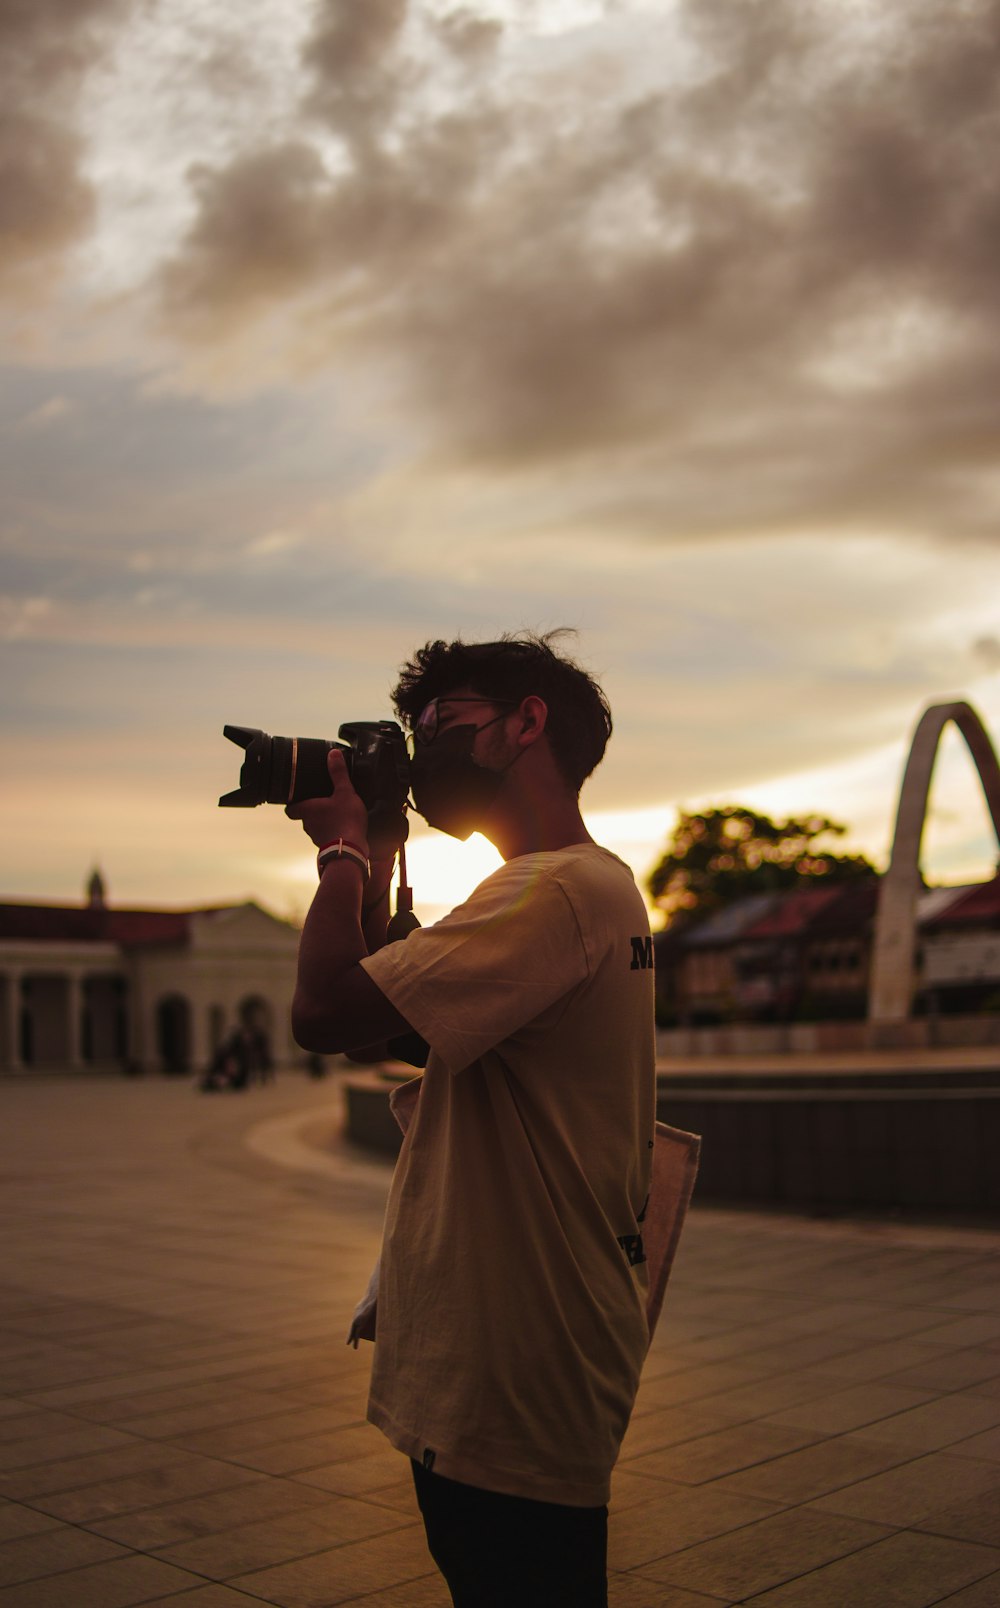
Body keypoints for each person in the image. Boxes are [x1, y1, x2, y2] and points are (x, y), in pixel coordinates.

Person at [286, 633, 655, 1608]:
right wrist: (381, 859)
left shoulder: (551, 890)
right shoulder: (579, 885)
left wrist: (340, 853)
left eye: (445, 725)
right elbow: (392, 1030)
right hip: (523, 1348)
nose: (423, 751)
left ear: (527, 721)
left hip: (515, 1362)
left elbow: (324, 1013)